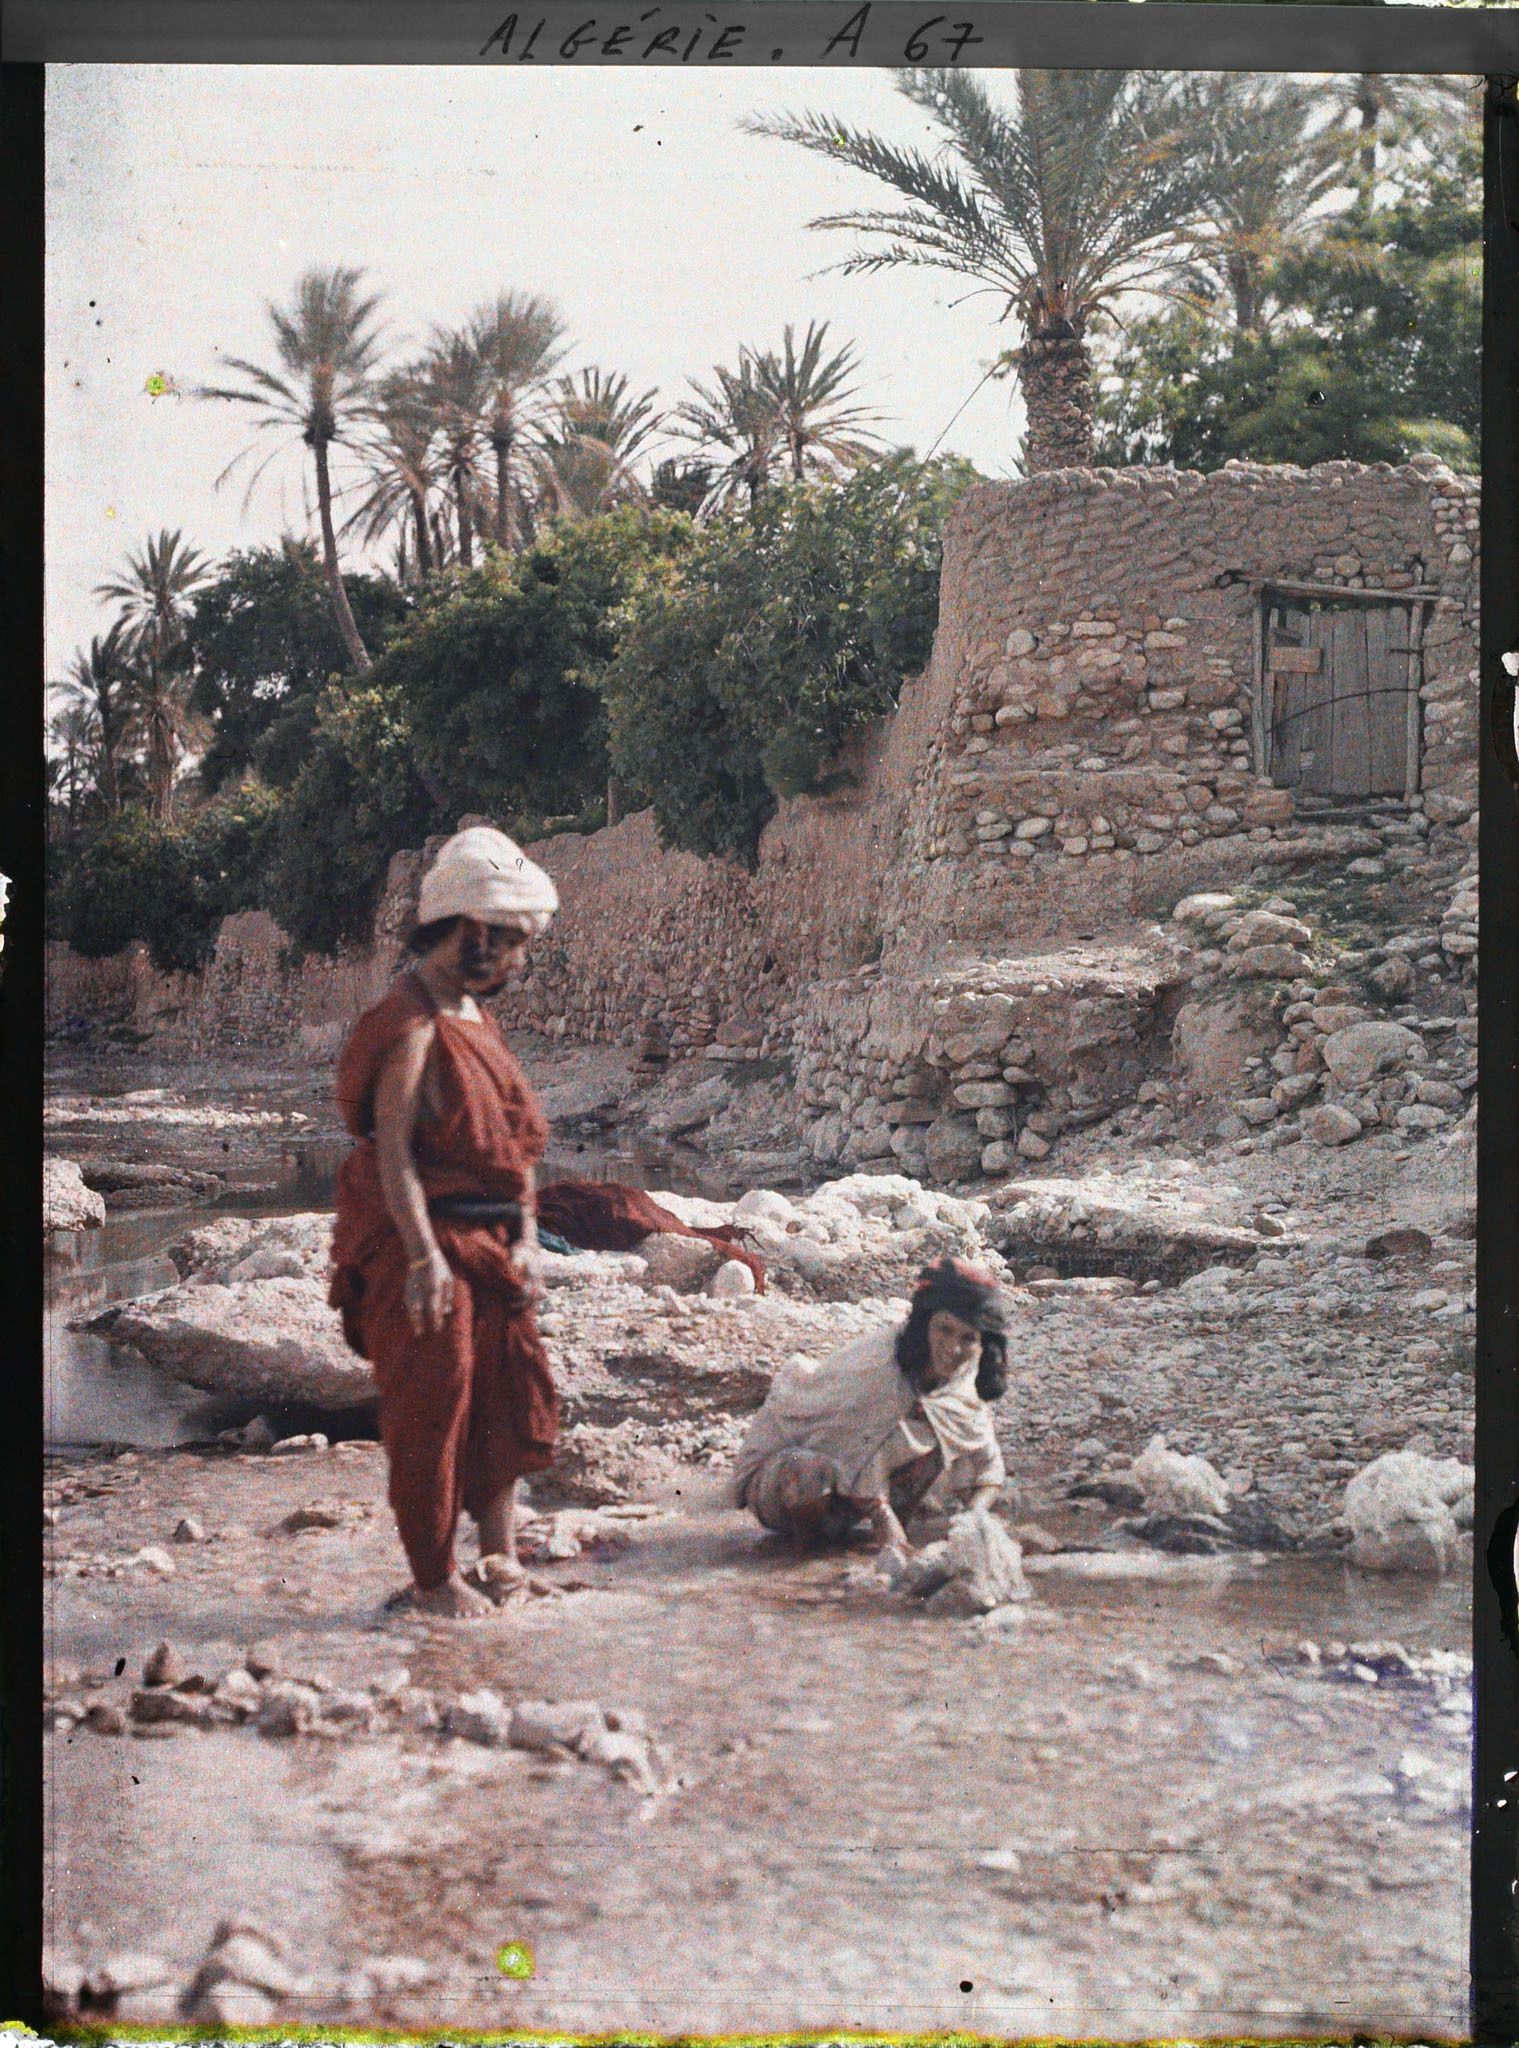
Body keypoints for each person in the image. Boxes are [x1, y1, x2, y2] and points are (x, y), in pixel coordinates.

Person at [328, 826, 560, 1619]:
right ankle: (433, 1581)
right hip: (423, 1244)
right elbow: (392, 1153)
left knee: (503, 1391)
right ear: (470, 933)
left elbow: (512, 1147)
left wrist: (526, 1239)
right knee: (435, 1400)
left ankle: (499, 1555)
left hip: (494, 1247)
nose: (519, 962)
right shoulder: (413, 1022)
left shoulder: (475, 1019)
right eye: (512, 944)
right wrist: (425, 1257)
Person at [729, 1258, 1011, 1564]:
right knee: (808, 1473)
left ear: (983, 1343)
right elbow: (848, 1452)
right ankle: (807, 1559)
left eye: (968, 1338)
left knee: (941, 1436)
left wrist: (975, 1520)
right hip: (789, 1484)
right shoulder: (878, 1367)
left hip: (856, 1489)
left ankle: (878, 1540)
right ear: (925, 1323)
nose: (953, 1349)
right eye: (944, 1330)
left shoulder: (963, 1375)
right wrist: (883, 1522)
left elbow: (985, 1463)